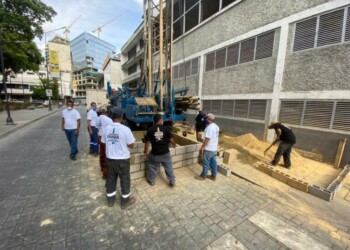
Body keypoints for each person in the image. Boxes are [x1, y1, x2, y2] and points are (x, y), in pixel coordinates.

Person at [103, 108, 136, 209]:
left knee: (111, 179)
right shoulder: (125, 129)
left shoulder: (106, 128)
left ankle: (110, 201)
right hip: (122, 160)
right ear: (121, 117)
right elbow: (131, 145)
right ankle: (124, 202)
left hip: (110, 159)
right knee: (125, 180)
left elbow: (104, 142)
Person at [143, 114, 176, 187]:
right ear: (160, 120)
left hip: (155, 154)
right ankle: (172, 181)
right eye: (162, 119)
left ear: (154, 121)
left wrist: (145, 152)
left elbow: (147, 142)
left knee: (152, 167)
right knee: (168, 167)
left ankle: (151, 181)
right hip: (165, 154)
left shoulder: (150, 130)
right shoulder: (166, 129)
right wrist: (174, 144)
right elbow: (171, 140)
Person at [195, 113, 220, 181]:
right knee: (214, 162)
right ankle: (213, 176)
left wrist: (202, 147)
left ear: (209, 119)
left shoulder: (209, 128)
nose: (205, 119)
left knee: (206, 163)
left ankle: (203, 176)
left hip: (209, 149)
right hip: (214, 149)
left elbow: (207, 140)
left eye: (206, 118)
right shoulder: (216, 126)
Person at [97, 105, 113, 179]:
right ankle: (105, 173)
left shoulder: (97, 119)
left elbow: (97, 128)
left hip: (100, 137)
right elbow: (112, 130)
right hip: (106, 139)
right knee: (107, 155)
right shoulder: (109, 120)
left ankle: (102, 169)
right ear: (106, 112)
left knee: (102, 154)